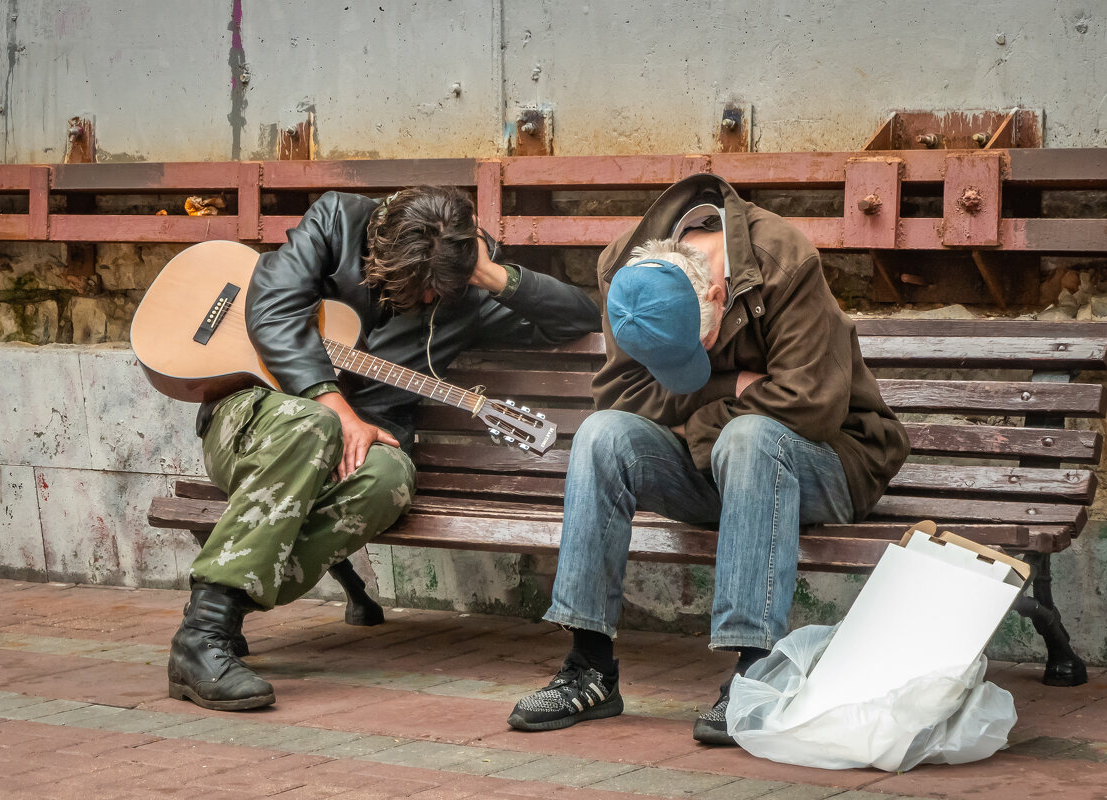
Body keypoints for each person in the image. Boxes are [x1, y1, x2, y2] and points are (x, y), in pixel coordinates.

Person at [507, 173, 909, 743]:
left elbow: (811, 406)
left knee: (750, 439)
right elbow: (623, 397)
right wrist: (735, 386)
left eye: (696, 352)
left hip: (833, 459)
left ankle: (753, 673)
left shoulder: (784, 259)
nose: (687, 371)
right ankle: (589, 667)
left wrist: (700, 418)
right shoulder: (628, 271)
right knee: (602, 434)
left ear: (718, 295)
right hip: (719, 468)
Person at [167, 186, 601, 711]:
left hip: (360, 446)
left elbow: (579, 318)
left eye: (435, 292)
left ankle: (223, 608)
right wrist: (337, 410)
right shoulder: (336, 221)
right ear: (380, 248)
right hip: (256, 420)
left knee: (391, 479)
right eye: (414, 287)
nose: (425, 300)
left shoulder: (464, 290)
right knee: (314, 425)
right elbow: (272, 310)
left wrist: (490, 275)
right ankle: (203, 634)